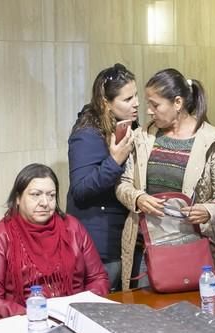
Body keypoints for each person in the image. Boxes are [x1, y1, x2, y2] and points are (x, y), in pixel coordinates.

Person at [116, 68, 215, 291]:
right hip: (148, 251)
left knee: (195, 316)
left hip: (193, 251)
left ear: (178, 103)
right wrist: (138, 198)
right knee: (147, 318)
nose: (149, 111)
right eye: (148, 104)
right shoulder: (143, 136)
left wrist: (209, 210)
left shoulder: (213, 141)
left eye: (155, 105)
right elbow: (123, 183)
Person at [0, 163, 111, 320]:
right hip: (24, 324)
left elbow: (98, 279)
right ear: (18, 198)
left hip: (73, 320)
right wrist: (35, 314)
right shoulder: (1, 235)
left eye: (51, 195)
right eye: (35, 194)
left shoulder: (72, 228)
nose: (45, 202)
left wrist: (79, 310)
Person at [66, 63, 139, 290]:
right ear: (106, 103)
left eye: (135, 96)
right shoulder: (86, 134)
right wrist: (114, 162)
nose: (136, 103)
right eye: (127, 99)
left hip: (124, 237)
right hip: (99, 244)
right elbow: (80, 190)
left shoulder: (127, 126)